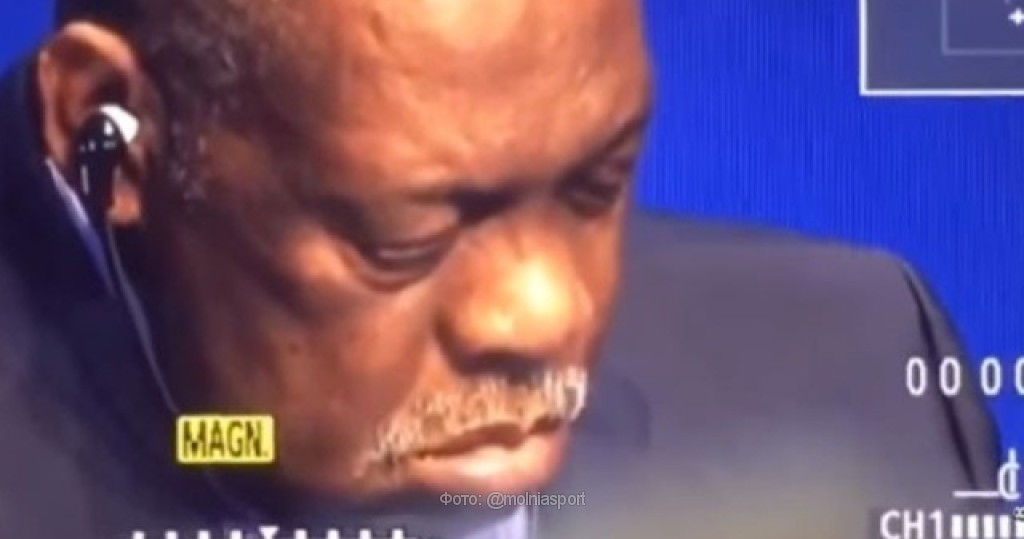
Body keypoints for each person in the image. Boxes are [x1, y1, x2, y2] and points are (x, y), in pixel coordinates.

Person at [0, 0, 999, 537]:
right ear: (110, 136)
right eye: (405, 237)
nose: (546, 314)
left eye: (597, 185)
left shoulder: (863, 371)